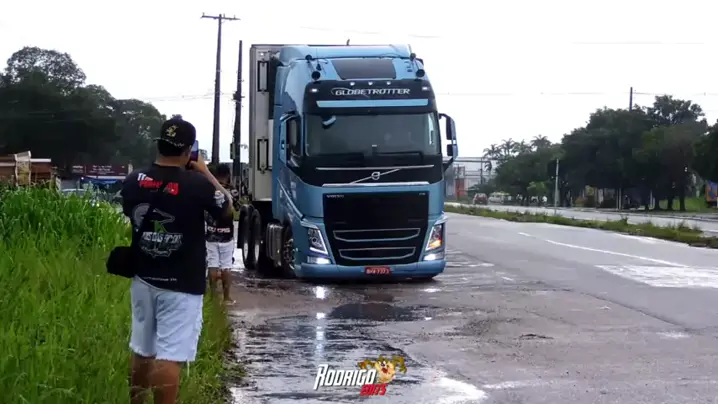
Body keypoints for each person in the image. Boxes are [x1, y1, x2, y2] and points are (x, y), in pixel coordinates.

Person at [120, 117, 233, 404]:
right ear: (188, 151)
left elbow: (130, 211)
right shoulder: (197, 184)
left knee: (142, 349)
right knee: (170, 356)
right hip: (182, 283)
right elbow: (227, 210)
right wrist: (206, 172)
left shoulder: (134, 181)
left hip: (143, 278)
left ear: (159, 145)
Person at [205, 163, 236, 303]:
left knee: (212, 264)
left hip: (211, 234)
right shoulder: (232, 191)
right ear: (228, 175)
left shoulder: (209, 189)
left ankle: (212, 297)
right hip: (226, 235)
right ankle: (227, 297)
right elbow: (237, 209)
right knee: (226, 266)